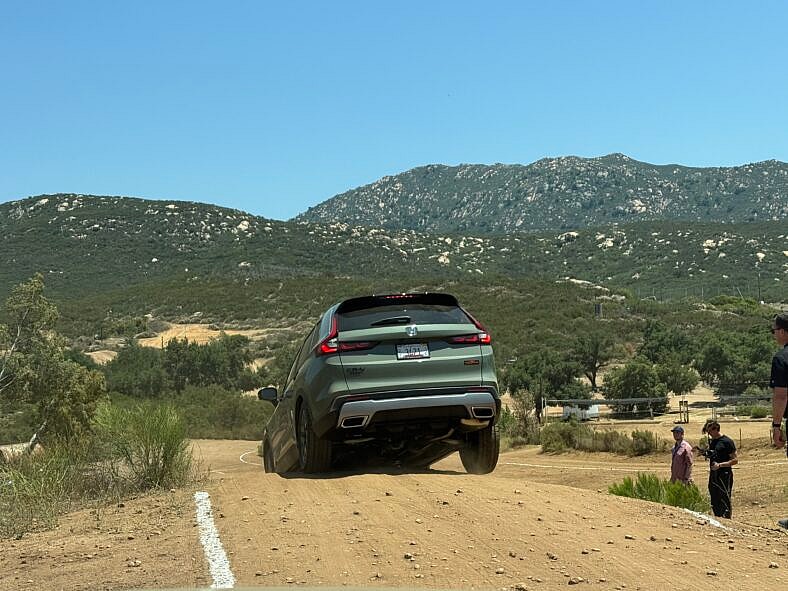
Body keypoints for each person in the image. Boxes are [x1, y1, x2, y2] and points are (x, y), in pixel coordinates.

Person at [768, 313, 788, 528]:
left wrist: (776, 425)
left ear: (782, 331)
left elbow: (781, 395)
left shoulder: (781, 358)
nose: (774, 334)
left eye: (774, 330)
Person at [704, 420, 737, 519]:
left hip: (724, 473)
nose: (709, 434)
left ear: (716, 429)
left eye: (709, 431)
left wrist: (720, 465)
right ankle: (718, 517)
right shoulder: (713, 441)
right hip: (714, 474)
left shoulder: (727, 441)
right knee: (714, 496)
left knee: (724, 497)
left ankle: (726, 519)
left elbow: (735, 460)